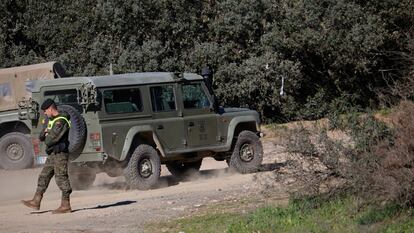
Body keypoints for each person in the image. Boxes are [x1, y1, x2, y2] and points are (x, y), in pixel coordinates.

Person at [21, 99, 72, 214]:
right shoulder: (51, 120)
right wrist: (46, 133)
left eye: (45, 110)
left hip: (60, 154)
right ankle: (36, 201)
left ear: (50, 108)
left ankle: (66, 205)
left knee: (61, 178)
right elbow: (41, 136)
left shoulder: (61, 121)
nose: (44, 113)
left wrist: (47, 134)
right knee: (44, 176)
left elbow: (50, 140)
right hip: (52, 154)